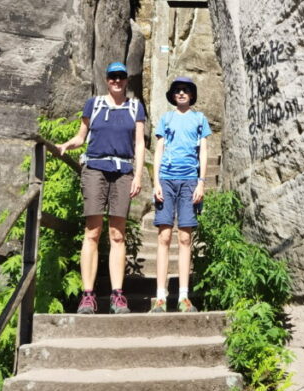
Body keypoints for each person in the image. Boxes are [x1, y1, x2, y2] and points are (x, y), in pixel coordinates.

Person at [57, 62, 145, 314]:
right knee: (92, 232)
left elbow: (139, 144)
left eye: (121, 77)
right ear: (107, 80)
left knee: (117, 234)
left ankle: (118, 295)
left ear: (127, 80)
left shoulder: (135, 107)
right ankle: (88, 295)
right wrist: (66, 145)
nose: (117, 81)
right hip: (95, 169)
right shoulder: (93, 104)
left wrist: (138, 175)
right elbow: (81, 136)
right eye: (112, 77)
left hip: (123, 171)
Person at [150, 76, 212, 313]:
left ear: (192, 95)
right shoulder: (166, 118)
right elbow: (159, 149)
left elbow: (204, 151)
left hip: (189, 181)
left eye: (186, 90)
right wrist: (155, 181)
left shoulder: (199, 118)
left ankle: (184, 296)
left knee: (185, 238)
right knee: (164, 236)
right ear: (173, 95)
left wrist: (201, 183)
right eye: (177, 90)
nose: (182, 93)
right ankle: (160, 297)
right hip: (166, 180)